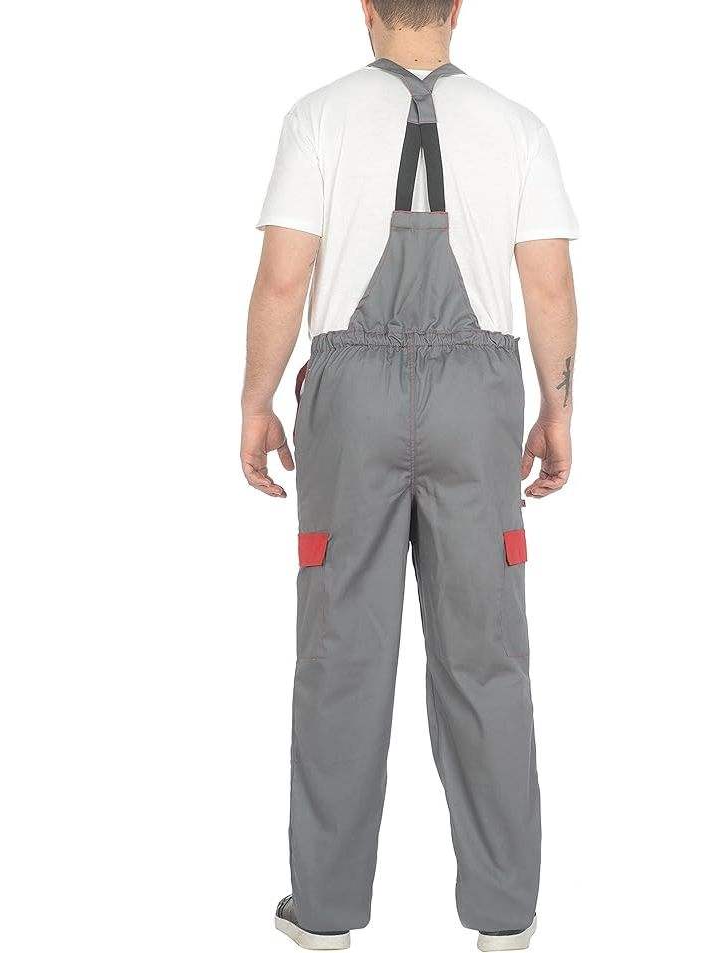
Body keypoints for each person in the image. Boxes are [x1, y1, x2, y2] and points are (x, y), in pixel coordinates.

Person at [241, 1, 579, 949]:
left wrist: (256, 401)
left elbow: (283, 278)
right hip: (479, 401)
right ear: (457, 8)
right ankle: (503, 920)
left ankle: (326, 916)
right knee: (486, 657)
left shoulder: (317, 116)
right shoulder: (516, 126)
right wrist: (557, 408)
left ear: (366, 7)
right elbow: (547, 284)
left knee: (341, 653)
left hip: (349, 402)